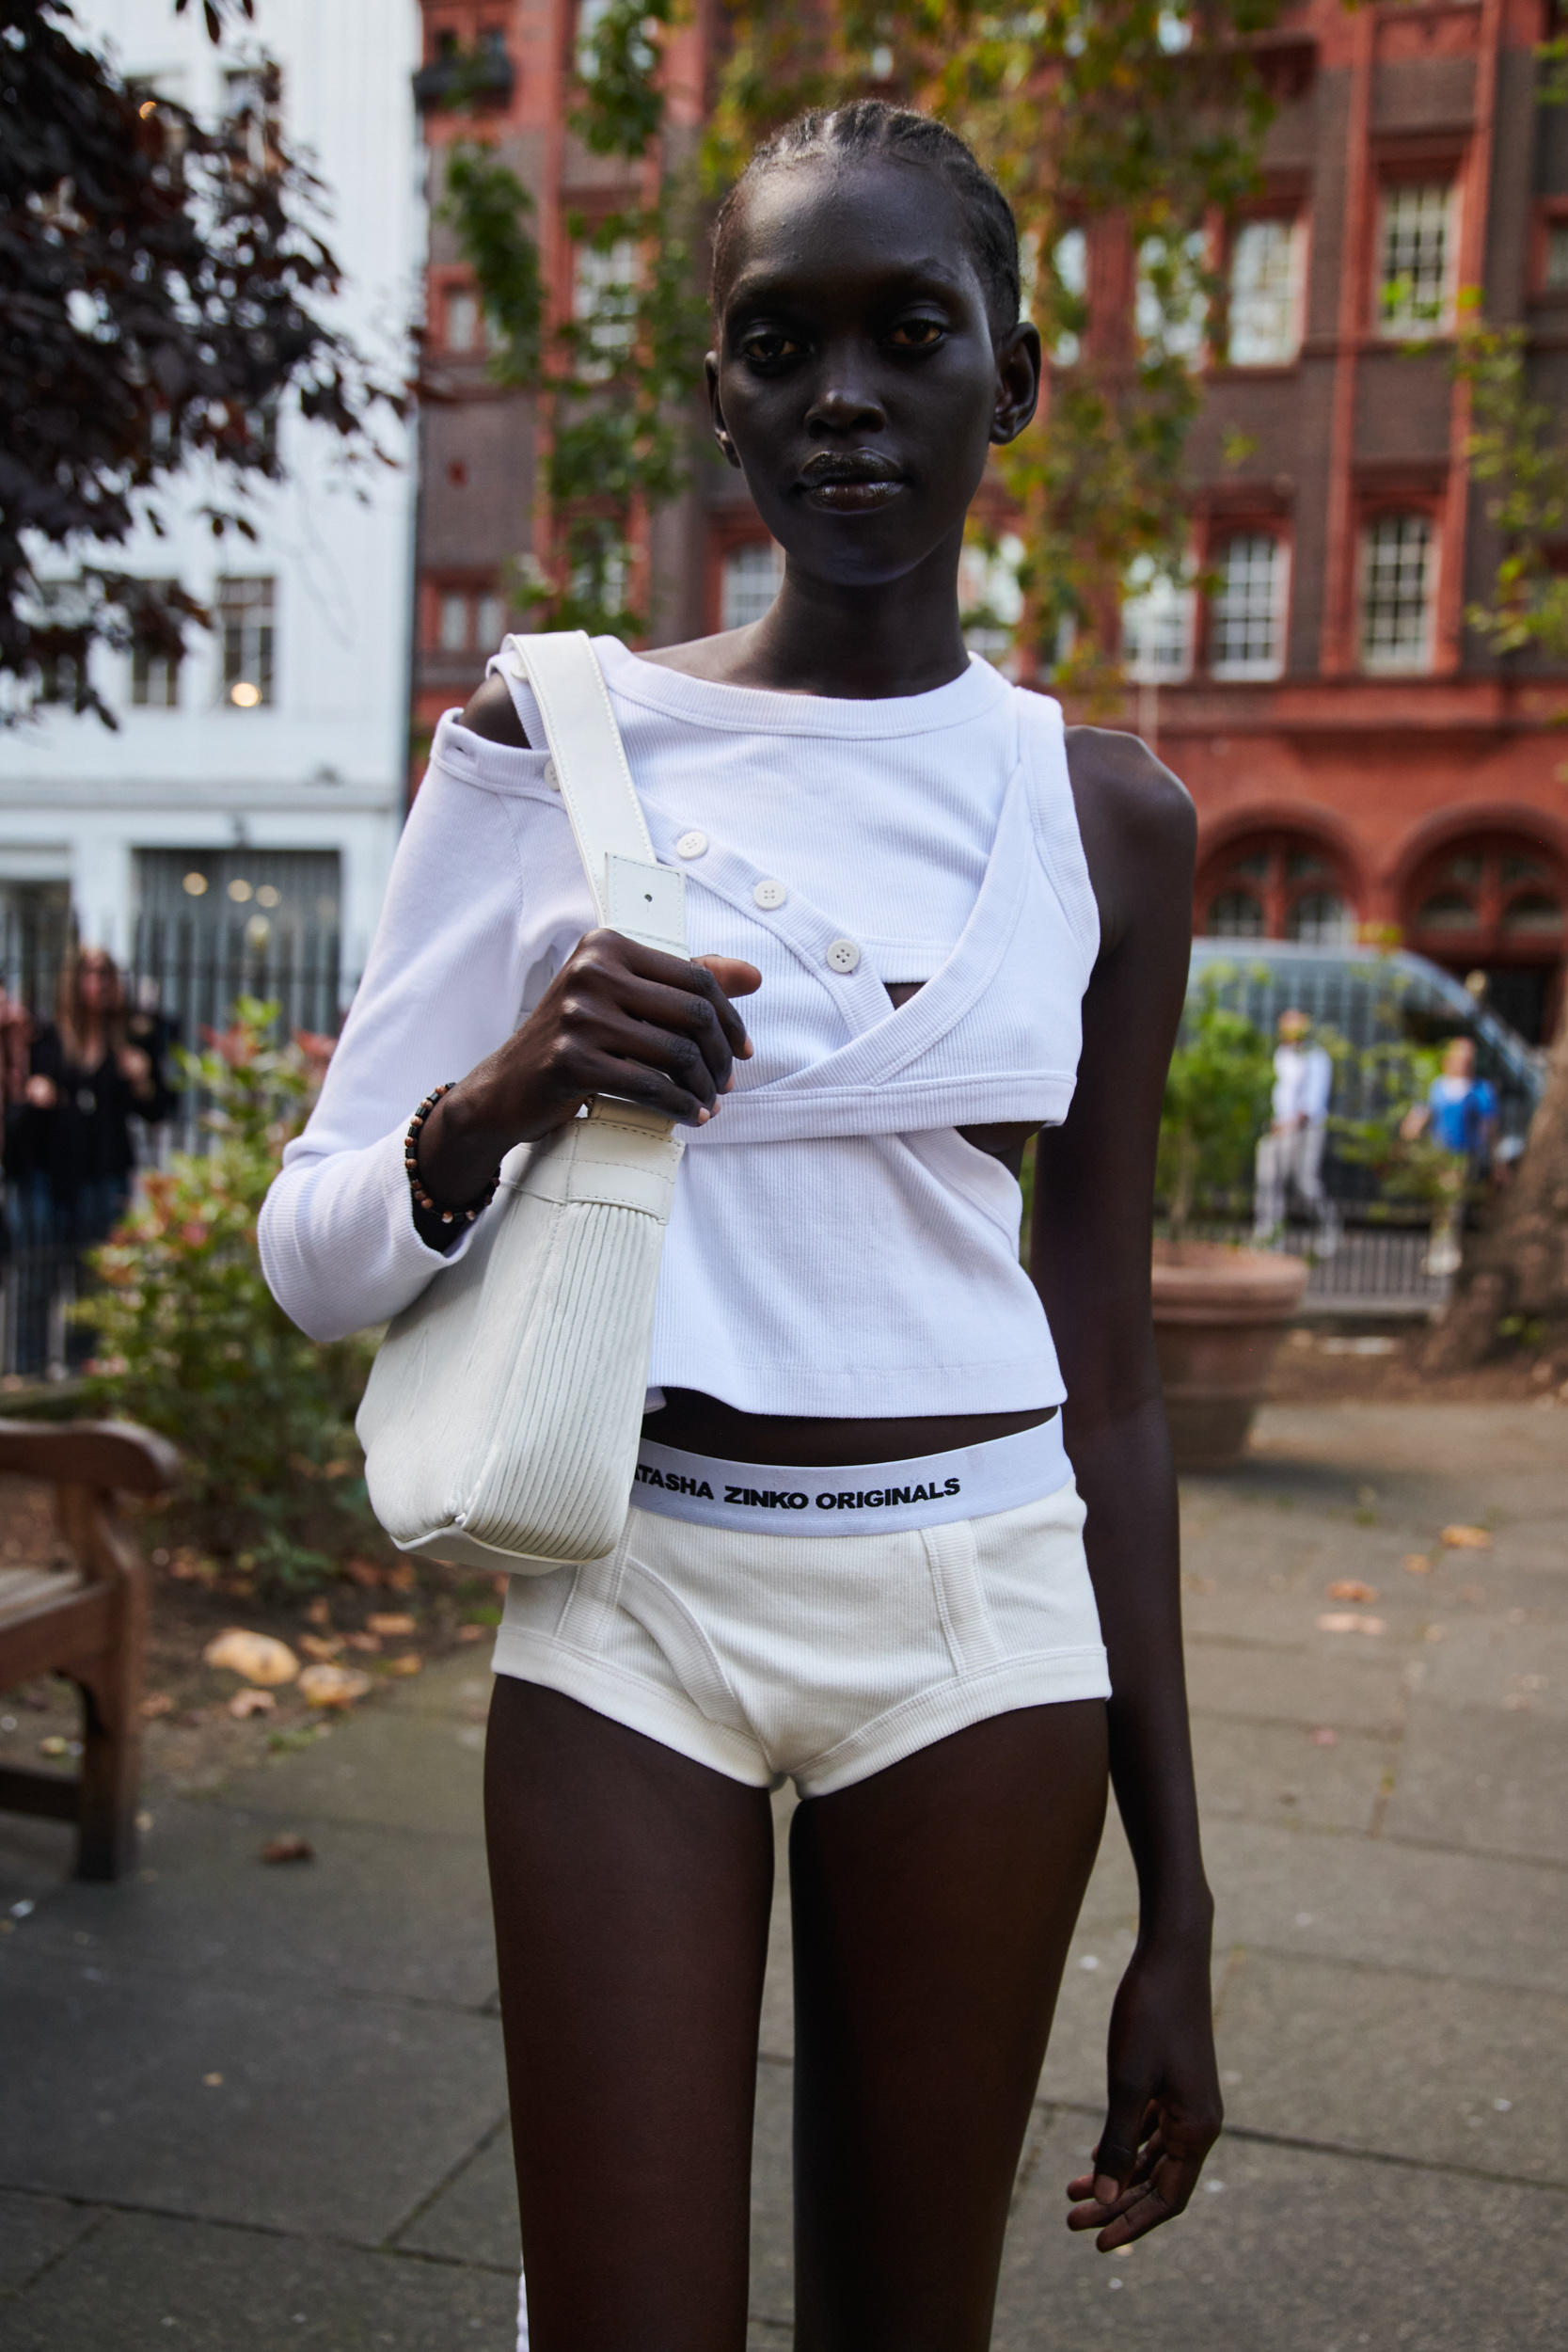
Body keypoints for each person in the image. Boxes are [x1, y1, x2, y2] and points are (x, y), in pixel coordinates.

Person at [261, 103, 1221, 2349]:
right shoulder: (558, 738)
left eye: (912, 332)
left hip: (980, 1625)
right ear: (718, 392)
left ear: (1017, 374)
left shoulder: (1110, 818)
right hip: (632, 1597)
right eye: (779, 345)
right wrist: (510, 1083)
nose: (845, 398)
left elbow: (1112, 1363)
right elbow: (314, 1255)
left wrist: (1183, 1910)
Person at [4, 946, 174, 1250]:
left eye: (106, 973)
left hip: (104, 1171)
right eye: (91, 973)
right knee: (40, 1270)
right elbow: (18, 1098)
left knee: (98, 1273)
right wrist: (35, 1092)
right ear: (74, 981)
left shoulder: (131, 1041)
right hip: (51, 1171)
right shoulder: (45, 1037)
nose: (99, 983)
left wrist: (142, 1081)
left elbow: (157, 1111)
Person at [1400, 1034, 1497, 1279]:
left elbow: (1490, 1127)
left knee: (1453, 1204)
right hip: (1439, 1153)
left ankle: (1448, 1251)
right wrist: (1408, 1135)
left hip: (1464, 1155)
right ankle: (1442, 1251)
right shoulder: (1437, 1086)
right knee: (1443, 1205)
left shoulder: (1481, 1089)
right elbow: (1420, 1114)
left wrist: (1496, 1159)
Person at [1253, 1006, 1339, 1253]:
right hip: (1274, 1128)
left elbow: (1312, 1102)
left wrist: (1289, 1123)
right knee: (1268, 1181)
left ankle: (1329, 1228)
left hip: (1303, 1130)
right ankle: (1268, 1236)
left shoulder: (1315, 1056)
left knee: (1305, 1183)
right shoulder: (1278, 1053)